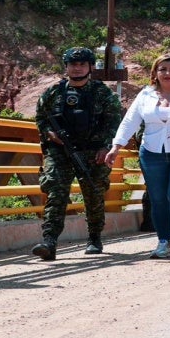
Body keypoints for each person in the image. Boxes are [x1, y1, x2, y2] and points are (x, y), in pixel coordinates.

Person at [106, 54, 170, 259]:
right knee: (158, 199)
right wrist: (116, 147)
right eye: (163, 69)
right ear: (155, 72)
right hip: (152, 153)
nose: (168, 73)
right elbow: (130, 122)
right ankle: (163, 241)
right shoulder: (145, 95)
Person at [31, 47, 122, 260]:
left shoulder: (102, 93)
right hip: (60, 150)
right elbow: (41, 119)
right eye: (73, 64)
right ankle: (49, 241)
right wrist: (50, 134)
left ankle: (94, 237)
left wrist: (105, 146)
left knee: (93, 193)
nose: (77, 68)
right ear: (66, 67)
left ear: (90, 67)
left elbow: (114, 122)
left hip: (92, 151)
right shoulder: (53, 92)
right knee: (56, 192)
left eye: (82, 64)